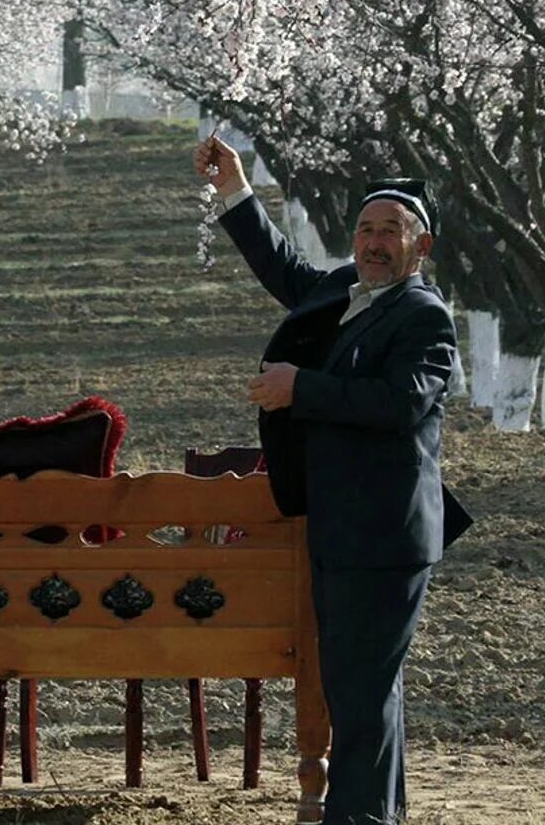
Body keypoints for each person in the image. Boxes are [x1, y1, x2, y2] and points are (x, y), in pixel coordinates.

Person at [195, 134, 468, 825]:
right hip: (344, 529)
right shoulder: (349, 293)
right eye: (366, 230)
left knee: (358, 692)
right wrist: (234, 188)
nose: (375, 243)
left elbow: (402, 403)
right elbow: (279, 265)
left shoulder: (422, 314)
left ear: (420, 246)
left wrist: (300, 389)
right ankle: (381, 813)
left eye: (391, 232)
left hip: (383, 535)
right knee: (367, 689)